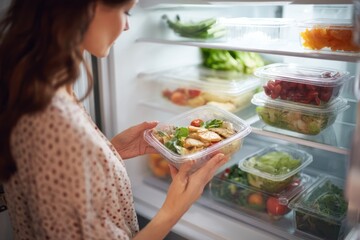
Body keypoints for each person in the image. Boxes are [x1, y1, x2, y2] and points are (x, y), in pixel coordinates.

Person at [0, 0, 229, 239]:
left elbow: (57, 178)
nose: (128, 26)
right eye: (125, 11)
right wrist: (175, 209)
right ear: (86, 8)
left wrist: (109, 152)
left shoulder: (34, 85)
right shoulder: (55, 120)